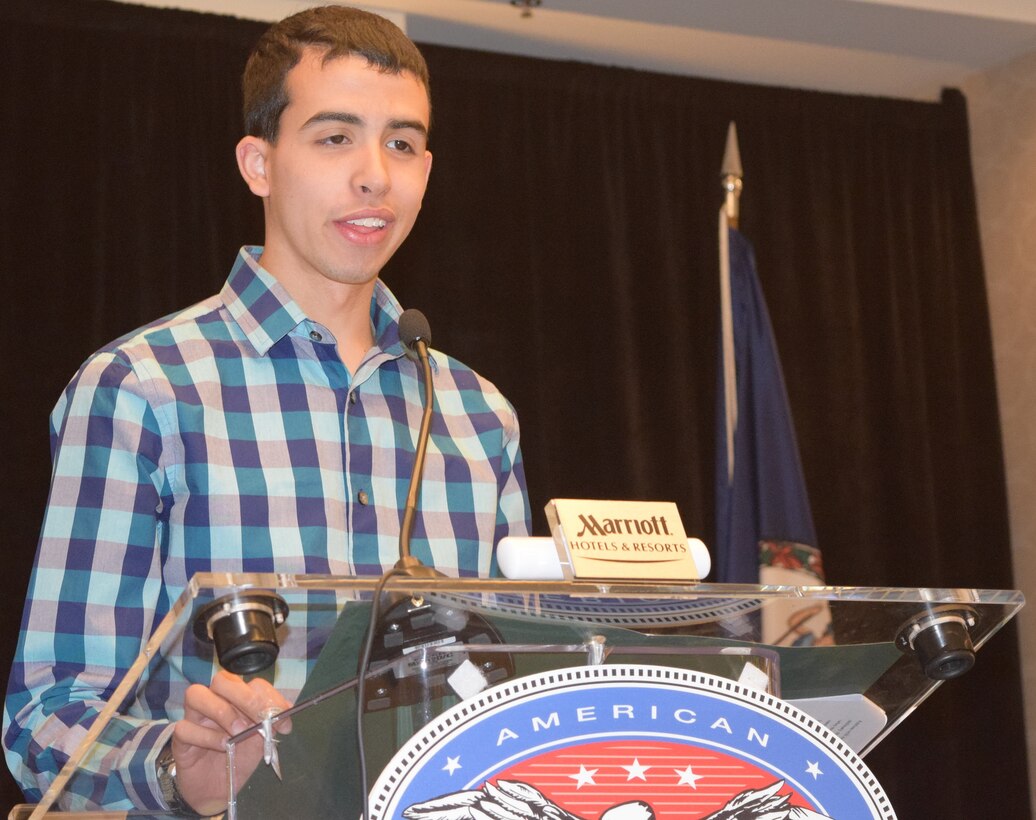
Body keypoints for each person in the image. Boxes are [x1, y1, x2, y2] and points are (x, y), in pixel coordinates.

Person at [3, 5, 531, 814]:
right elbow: (48, 719)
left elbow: (518, 688)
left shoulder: (477, 416)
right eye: (334, 137)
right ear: (258, 163)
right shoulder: (143, 388)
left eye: (402, 143)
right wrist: (178, 767)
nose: (374, 176)